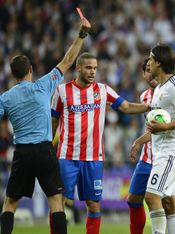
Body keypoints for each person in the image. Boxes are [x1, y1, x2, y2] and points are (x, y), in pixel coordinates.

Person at [0, 17, 91, 234]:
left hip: (22, 152)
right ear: (30, 70)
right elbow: (68, 60)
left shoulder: (5, 98)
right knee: (56, 202)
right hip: (44, 150)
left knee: (10, 203)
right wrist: (82, 34)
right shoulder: (43, 86)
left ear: (13, 75)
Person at [50, 52, 150, 234]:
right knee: (59, 203)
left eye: (95, 68)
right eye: (88, 67)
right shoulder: (61, 91)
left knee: (93, 204)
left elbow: (126, 107)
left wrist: (150, 107)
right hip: (67, 157)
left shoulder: (103, 90)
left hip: (94, 157)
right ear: (78, 68)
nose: (92, 72)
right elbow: (53, 122)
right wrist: (48, 148)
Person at [130, 43, 175, 234]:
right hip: (163, 152)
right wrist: (142, 139)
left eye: (151, 58)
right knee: (169, 203)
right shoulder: (160, 88)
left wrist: (165, 127)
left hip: (171, 152)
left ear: (159, 62)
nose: (148, 62)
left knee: (151, 197)